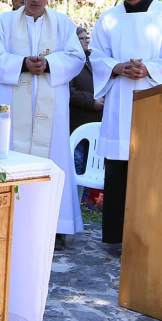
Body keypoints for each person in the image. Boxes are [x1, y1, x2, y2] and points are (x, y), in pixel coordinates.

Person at [89, 0, 162, 251]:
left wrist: (150, 70)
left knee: (152, 169)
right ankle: (115, 238)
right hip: (120, 100)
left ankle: (150, 235)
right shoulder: (108, 18)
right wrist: (118, 67)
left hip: (153, 100)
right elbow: (96, 54)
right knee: (118, 170)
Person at [0, 0, 85, 249]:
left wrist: (49, 64)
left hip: (51, 108)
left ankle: (55, 225)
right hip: (14, 107)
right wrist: (23, 64)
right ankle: (10, 221)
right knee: (12, 155)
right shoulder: (5, 22)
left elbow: (77, 57)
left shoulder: (63, 23)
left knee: (54, 157)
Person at [69, 26, 103, 200]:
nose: (86, 41)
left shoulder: (94, 60)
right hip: (78, 121)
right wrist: (92, 102)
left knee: (94, 161)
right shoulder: (70, 61)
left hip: (97, 120)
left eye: (87, 38)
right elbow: (69, 92)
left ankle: (89, 200)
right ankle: (76, 200)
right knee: (78, 161)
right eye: (82, 39)